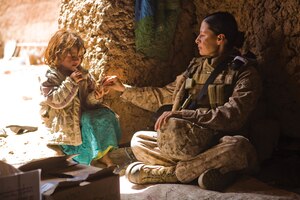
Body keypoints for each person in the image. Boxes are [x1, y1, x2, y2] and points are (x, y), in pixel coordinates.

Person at [103, 11, 262, 190]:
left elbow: (233, 115)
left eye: (202, 35)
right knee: (139, 140)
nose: (197, 40)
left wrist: (185, 115)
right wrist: (124, 89)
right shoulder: (194, 67)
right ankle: (201, 171)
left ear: (220, 38)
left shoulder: (245, 73)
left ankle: (172, 174)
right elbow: (164, 95)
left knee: (238, 147)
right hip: (188, 144)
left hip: (217, 144)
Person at [39, 29, 121, 167]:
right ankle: (85, 157)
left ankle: (103, 156)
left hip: (82, 126)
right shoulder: (50, 78)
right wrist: (70, 83)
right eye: (70, 55)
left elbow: (87, 103)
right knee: (87, 119)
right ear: (57, 55)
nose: (76, 59)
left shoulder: (83, 74)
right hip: (65, 132)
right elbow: (55, 101)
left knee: (104, 114)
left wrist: (95, 96)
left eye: (79, 55)